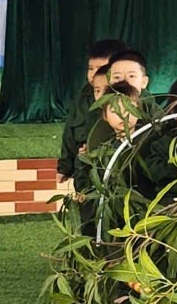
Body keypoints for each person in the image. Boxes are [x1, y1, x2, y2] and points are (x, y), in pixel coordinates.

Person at [54, 37, 126, 190]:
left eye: (100, 69)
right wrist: (64, 167)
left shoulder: (131, 99)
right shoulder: (82, 97)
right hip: (84, 172)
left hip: (117, 171)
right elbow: (69, 134)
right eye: (90, 68)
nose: (93, 74)